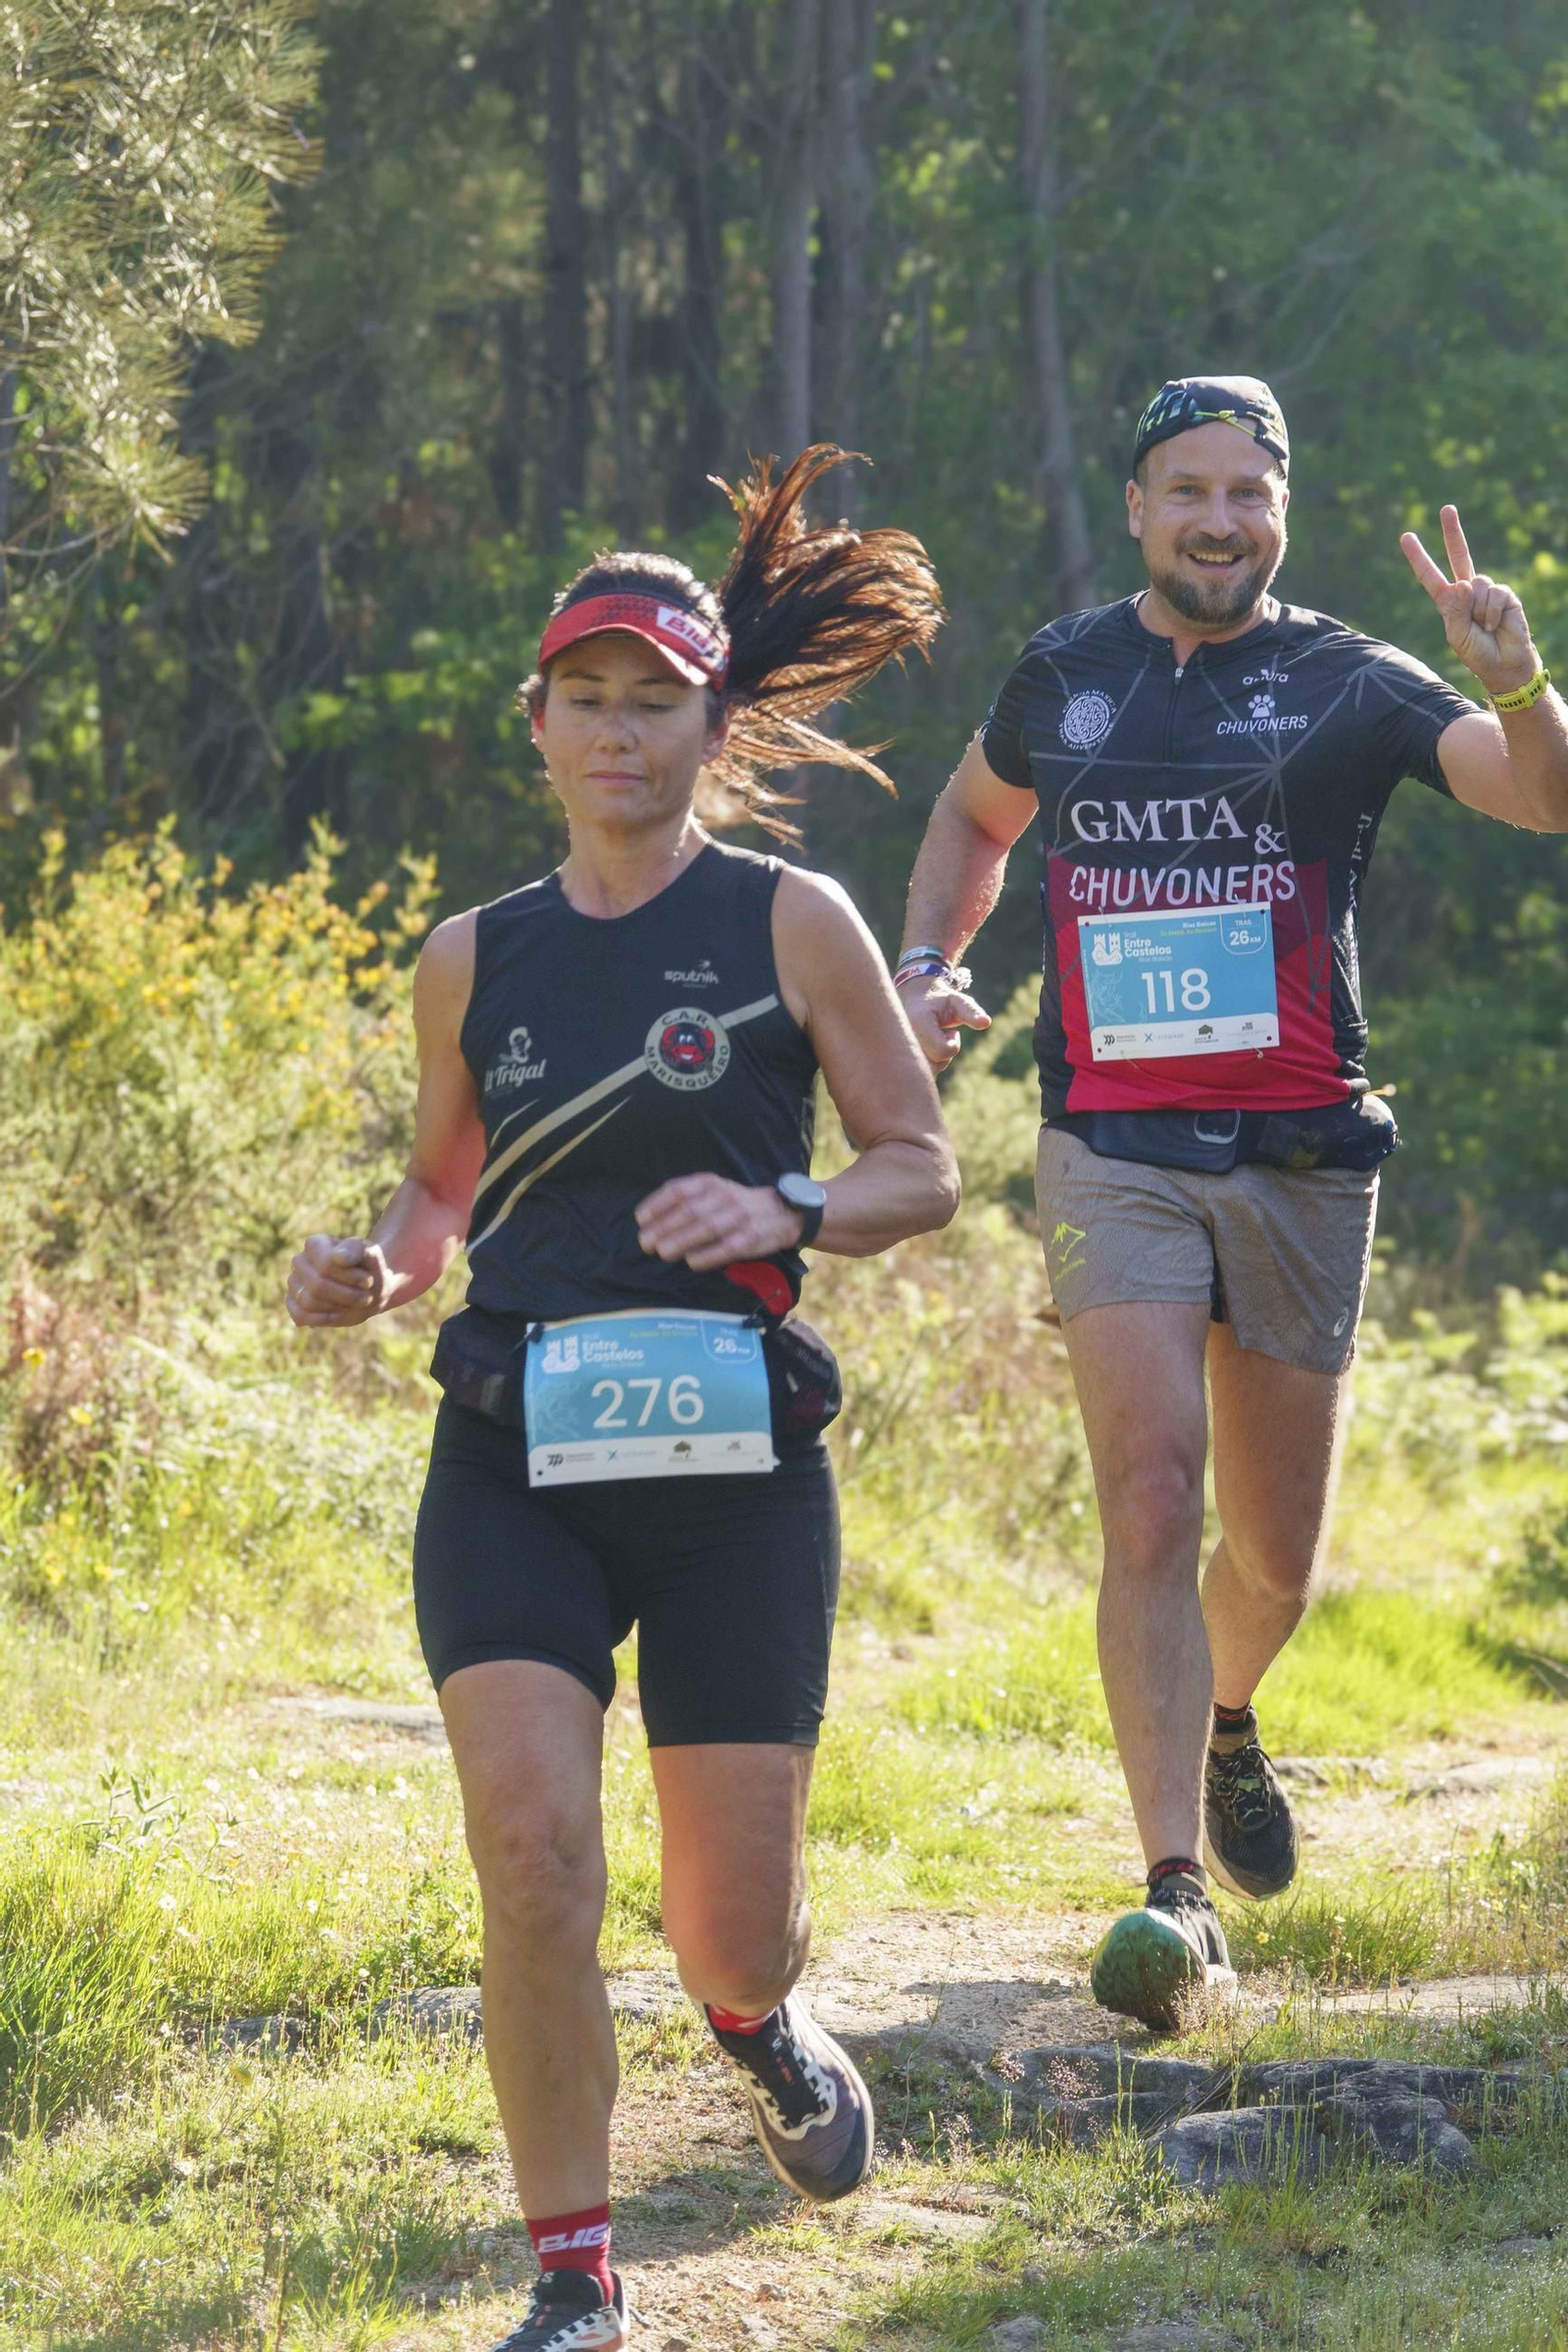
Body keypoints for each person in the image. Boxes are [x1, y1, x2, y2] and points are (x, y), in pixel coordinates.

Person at [285, 447, 957, 2352]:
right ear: (537, 721)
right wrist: (371, 1265)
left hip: (734, 1466)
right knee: (529, 1850)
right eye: (580, 699)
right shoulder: (469, 955)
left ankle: (752, 2025)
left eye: (649, 699)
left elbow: (920, 1165)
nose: (612, 732)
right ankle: (573, 2274)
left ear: (706, 718)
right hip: (512, 1447)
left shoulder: (789, 922)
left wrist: (789, 1201)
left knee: (720, 1925)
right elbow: (437, 1191)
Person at [896, 374, 1568, 2032]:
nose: (1218, 519)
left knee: (1270, 1560)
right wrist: (928, 959)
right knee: (1147, 1493)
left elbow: (1540, 795)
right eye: (1186, 489)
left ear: (1284, 512)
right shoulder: (1065, 672)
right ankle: (1172, 1889)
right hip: (1110, 1140)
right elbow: (975, 817)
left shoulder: (1346, 675)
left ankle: (1228, 1708)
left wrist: (1522, 678)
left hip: (1300, 1155)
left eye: (1247, 494)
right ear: (1136, 506)